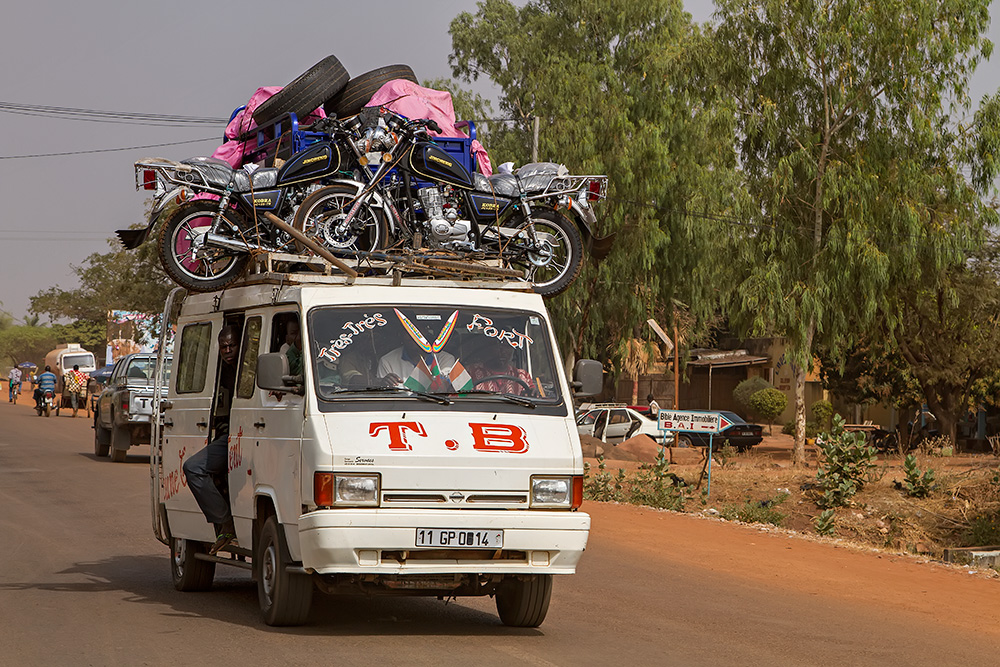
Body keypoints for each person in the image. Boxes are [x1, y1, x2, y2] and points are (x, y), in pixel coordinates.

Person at [182, 326, 239, 555]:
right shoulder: (219, 369)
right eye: (223, 346)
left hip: (247, 436)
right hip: (228, 436)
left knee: (194, 467)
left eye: (231, 345)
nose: (227, 350)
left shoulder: (249, 370)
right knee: (194, 467)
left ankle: (227, 525)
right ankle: (225, 523)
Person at [377, 319, 459, 392]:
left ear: (426, 333)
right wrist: (383, 384)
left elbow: (442, 390)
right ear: (402, 334)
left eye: (417, 332)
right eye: (408, 332)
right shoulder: (387, 361)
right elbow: (385, 397)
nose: (413, 337)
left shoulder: (444, 359)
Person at [467, 344, 534, 396]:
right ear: (489, 347)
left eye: (507, 346)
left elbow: (532, 401)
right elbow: (460, 398)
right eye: (498, 346)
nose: (503, 351)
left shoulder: (522, 376)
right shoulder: (471, 372)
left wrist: (533, 393)